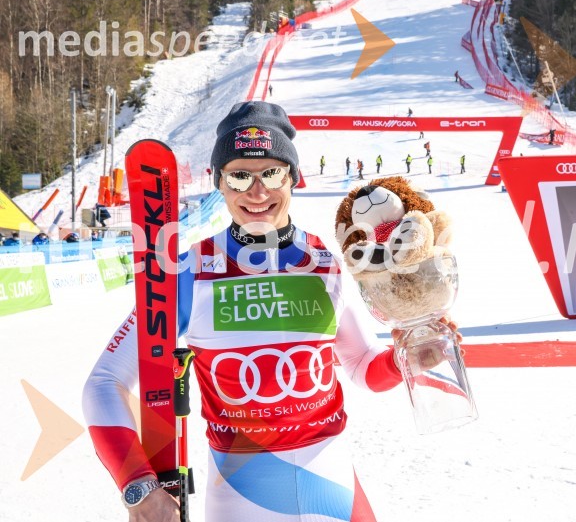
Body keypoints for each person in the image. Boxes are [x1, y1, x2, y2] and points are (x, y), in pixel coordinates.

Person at [82, 101, 463, 522]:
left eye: (271, 173)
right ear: (220, 183)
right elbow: (104, 383)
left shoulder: (324, 261)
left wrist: (404, 359)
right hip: (242, 499)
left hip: (334, 490)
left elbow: (358, 365)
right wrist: (139, 487)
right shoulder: (190, 271)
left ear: (293, 177)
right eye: (239, 175)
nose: (256, 191)